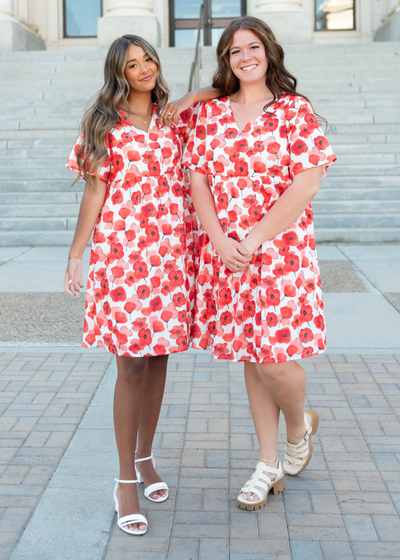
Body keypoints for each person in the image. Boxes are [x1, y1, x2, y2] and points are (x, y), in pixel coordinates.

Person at [64, 34, 219, 535]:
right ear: (119, 73)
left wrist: (189, 98)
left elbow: (228, 86)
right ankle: (124, 480)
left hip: (170, 257)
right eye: (133, 64)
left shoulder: (176, 119)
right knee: (130, 366)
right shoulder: (104, 124)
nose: (144, 68)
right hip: (123, 259)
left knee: (157, 361)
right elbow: (94, 192)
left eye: (148, 58)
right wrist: (75, 255)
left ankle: (147, 457)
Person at [183, 16, 336, 511]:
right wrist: (220, 240)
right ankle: (267, 464)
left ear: (269, 51)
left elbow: (307, 183)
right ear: (226, 60)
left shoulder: (294, 111)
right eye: (234, 51)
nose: (245, 56)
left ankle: (298, 427)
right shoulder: (210, 115)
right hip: (227, 254)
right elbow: (198, 182)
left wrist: (253, 238)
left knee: (273, 359)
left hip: (280, 253)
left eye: (253, 47)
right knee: (251, 356)